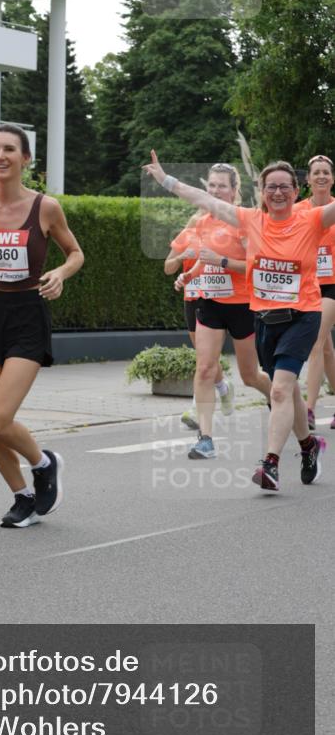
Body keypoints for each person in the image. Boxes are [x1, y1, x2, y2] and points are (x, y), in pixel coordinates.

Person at [143, 150, 335, 491]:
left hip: (303, 315)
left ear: (295, 191)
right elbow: (200, 197)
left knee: (279, 389)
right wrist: (164, 179)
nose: (278, 193)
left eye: (285, 187)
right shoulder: (248, 220)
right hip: (264, 319)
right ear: (261, 191)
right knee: (283, 391)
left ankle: (270, 464)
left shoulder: (312, 219)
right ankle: (308, 446)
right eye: (271, 187)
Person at [0, 123, 84, 527]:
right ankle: (23, 495)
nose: (0, 156)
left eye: (9, 150)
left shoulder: (45, 208)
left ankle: (43, 462)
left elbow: (75, 253)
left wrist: (60, 275)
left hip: (28, 315)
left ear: (25, 159)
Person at [170, 164, 271, 459]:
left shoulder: (244, 221)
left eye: (221, 186)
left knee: (250, 375)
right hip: (210, 303)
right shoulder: (202, 222)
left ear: (234, 190)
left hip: (242, 306)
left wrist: (223, 261)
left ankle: (276, 396)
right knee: (204, 368)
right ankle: (205, 439)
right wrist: (187, 276)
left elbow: (256, 265)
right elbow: (203, 261)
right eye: (211, 186)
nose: (215, 191)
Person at [164, 210, 231, 430]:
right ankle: (223, 387)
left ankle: (195, 408)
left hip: (213, 299)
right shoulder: (185, 236)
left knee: (205, 357)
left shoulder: (221, 234)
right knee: (203, 355)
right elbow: (168, 268)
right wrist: (182, 256)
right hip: (191, 299)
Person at [296, 155, 335, 429]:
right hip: (306, 283)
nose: (321, 176)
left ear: (332, 178)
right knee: (327, 350)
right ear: (308, 179)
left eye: (326, 172)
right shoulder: (297, 210)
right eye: (316, 172)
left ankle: (308, 409)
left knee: (316, 341)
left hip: (332, 283)